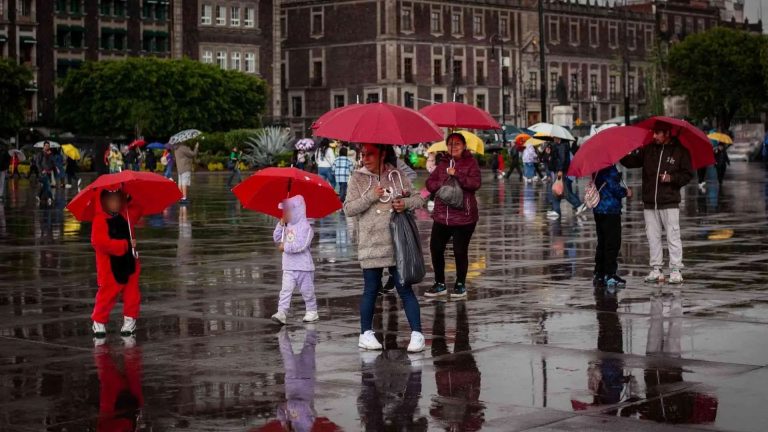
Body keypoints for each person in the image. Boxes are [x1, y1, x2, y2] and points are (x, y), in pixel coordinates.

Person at [344, 143, 426, 352]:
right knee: (371, 289)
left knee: (404, 288)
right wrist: (371, 195)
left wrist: (405, 204)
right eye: (363, 154)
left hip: (397, 242)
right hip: (370, 243)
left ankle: (417, 334)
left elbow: (418, 199)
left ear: (382, 154)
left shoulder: (396, 175)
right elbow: (349, 208)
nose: (365, 158)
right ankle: (366, 333)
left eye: (370, 154)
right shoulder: (357, 178)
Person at [621, 125, 693, 284]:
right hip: (649, 202)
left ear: (667, 133)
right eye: (653, 132)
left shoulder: (680, 151)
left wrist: (671, 179)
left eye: (657, 133)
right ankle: (656, 270)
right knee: (652, 237)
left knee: (672, 236)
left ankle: (675, 270)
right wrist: (620, 152)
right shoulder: (648, 150)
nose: (654, 136)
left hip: (669, 202)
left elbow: (688, 175)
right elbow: (631, 161)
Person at [424, 133, 482, 299]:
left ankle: (460, 283)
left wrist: (457, 174)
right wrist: (443, 181)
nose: (453, 147)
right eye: (450, 144)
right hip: (442, 215)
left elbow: (475, 184)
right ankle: (440, 283)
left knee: (459, 251)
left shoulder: (471, 162)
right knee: (435, 249)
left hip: (464, 216)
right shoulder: (442, 164)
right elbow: (430, 184)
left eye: (457, 144)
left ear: (464, 146)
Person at [91, 189, 142, 338]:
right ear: (104, 202)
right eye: (112, 200)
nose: (116, 204)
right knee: (107, 294)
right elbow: (100, 243)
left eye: (118, 200)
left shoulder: (125, 215)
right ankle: (99, 320)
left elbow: (138, 209)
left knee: (132, 294)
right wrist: (125, 244)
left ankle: (130, 319)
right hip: (110, 267)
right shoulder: (99, 220)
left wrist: (130, 198)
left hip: (129, 263)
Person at [271, 195, 319, 325]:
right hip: (288, 266)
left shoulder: (306, 227)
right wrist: (281, 224)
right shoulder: (286, 225)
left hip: (304, 266)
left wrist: (285, 247)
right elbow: (276, 238)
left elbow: (302, 245)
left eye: (289, 210)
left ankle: (311, 310)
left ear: (298, 210)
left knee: (307, 291)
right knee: (285, 290)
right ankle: (282, 312)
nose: (286, 213)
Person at [591, 165, 630, 288]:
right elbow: (614, 188)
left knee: (602, 242)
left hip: (599, 210)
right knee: (612, 243)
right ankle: (610, 274)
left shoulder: (596, 168)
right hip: (610, 210)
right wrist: (626, 192)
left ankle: (599, 273)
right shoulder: (608, 168)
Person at [547, 137, 587, 220]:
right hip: (558, 170)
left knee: (564, 191)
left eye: (555, 137)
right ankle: (556, 210)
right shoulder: (558, 145)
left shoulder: (562, 146)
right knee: (556, 190)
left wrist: (560, 171)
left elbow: (562, 160)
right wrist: (549, 153)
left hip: (560, 171)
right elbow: (555, 159)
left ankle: (578, 205)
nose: (553, 138)